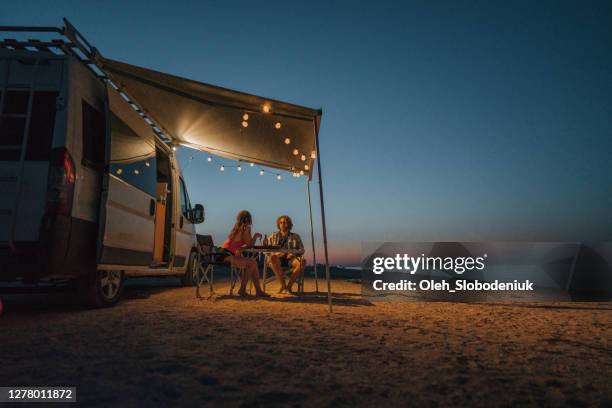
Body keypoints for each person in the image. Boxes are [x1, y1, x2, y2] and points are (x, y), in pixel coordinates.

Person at [221, 210, 269, 297]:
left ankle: (258, 291)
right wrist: (256, 236)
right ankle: (244, 290)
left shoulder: (237, 227)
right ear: (249, 219)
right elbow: (250, 244)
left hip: (223, 254)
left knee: (253, 263)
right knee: (252, 263)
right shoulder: (244, 228)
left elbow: (244, 243)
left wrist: (242, 248)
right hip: (228, 256)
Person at [264, 215, 305, 293]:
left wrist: (294, 253)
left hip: (291, 259)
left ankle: (288, 287)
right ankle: (283, 285)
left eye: (285, 222)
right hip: (276, 259)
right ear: (278, 224)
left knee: (302, 261)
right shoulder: (273, 235)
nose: (282, 224)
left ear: (289, 224)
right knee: (273, 258)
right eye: (281, 222)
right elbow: (265, 249)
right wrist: (275, 253)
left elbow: (302, 250)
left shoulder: (295, 236)